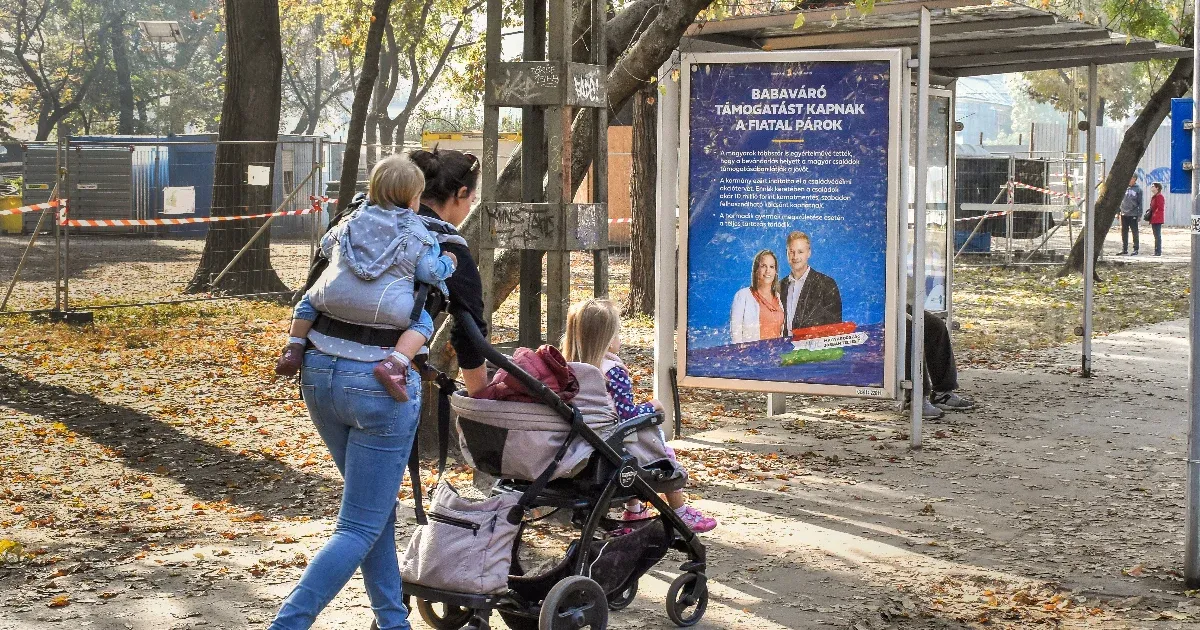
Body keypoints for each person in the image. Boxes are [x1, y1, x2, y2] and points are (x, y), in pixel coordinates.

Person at [268, 159, 432, 630]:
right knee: (358, 524)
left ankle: (391, 619)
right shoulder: (419, 235)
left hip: (319, 375)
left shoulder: (345, 228)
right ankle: (289, 623)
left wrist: (297, 344)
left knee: (370, 509)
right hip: (377, 382)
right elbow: (435, 279)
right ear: (412, 196)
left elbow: (317, 276)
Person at [274, 155, 457, 402]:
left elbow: (327, 247)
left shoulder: (351, 220)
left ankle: (294, 347)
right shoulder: (415, 232)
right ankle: (396, 363)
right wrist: (448, 262)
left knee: (307, 300)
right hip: (388, 307)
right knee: (422, 322)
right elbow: (429, 271)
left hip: (331, 298)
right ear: (414, 199)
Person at [562, 299, 718, 533]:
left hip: (581, 449)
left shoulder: (567, 369)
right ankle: (680, 513)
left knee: (627, 454)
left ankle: (635, 511)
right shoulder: (612, 371)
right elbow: (627, 415)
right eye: (617, 332)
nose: (619, 338)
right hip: (612, 449)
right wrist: (652, 407)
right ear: (606, 339)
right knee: (663, 454)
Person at [409, 148, 489, 397]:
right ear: (461, 193)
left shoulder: (370, 221)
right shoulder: (444, 243)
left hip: (318, 363)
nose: (468, 208)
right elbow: (469, 332)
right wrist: (481, 400)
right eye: (470, 200)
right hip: (385, 373)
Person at [906, 309, 974, 420]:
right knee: (908, 329)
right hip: (879, 305)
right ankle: (914, 399)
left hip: (898, 302)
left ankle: (942, 393)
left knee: (934, 325)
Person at [779, 231, 842, 333]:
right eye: (791, 251)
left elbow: (834, 328)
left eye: (800, 252)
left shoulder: (826, 284)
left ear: (809, 253)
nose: (795, 257)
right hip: (785, 348)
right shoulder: (780, 286)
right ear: (786, 253)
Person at [729, 249, 786, 343]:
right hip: (753, 355)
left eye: (772, 267)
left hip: (776, 355)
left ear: (775, 272)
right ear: (756, 270)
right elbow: (736, 335)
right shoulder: (743, 296)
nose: (768, 271)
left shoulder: (778, 298)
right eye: (763, 266)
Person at [1118, 176, 1142, 256]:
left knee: (1134, 231)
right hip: (1123, 213)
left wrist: (1139, 214)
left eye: (1131, 178)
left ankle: (1136, 249)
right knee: (1124, 231)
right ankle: (1124, 249)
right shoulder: (1124, 188)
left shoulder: (1138, 189)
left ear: (1135, 179)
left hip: (1133, 214)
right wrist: (1118, 212)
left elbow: (1140, 203)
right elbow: (1119, 201)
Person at [1146, 182, 1165, 256]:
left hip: (1157, 219)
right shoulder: (1154, 197)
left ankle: (1158, 251)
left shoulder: (1159, 196)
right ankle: (1156, 250)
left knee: (1157, 235)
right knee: (1156, 235)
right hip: (1154, 218)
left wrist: (1154, 215)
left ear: (1157, 188)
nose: (1152, 187)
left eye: (1153, 186)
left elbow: (1160, 208)